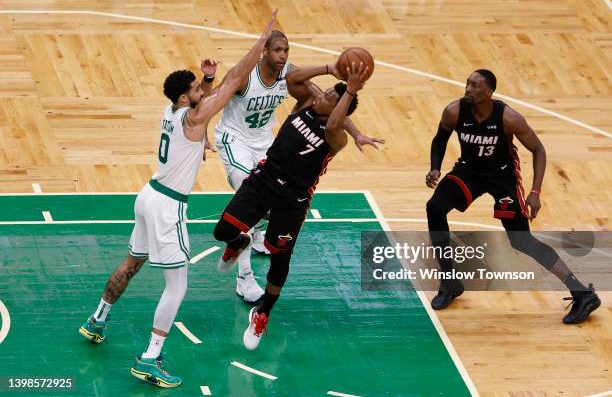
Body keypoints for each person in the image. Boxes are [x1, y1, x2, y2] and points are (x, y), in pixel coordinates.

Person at [78, 10, 278, 387]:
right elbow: (236, 78)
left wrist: (204, 79)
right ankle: (150, 357)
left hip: (147, 195)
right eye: (197, 89)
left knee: (131, 262)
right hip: (169, 205)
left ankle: (97, 319)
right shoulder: (194, 116)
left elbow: (202, 103)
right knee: (177, 286)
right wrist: (261, 41)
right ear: (186, 97)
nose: (203, 92)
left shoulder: (170, 110)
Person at [213, 31, 384, 305]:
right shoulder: (247, 75)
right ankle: (244, 275)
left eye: (287, 50)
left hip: (265, 142)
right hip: (234, 139)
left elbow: (327, 106)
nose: (283, 56)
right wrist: (331, 68)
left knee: (265, 209)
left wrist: (356, 133)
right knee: (246, 196)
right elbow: (214, 96)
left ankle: (250, 235)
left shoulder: (290, 74)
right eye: (278, 50)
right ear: (264, 51)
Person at [425, 69, 600, 324]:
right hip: (469, 171)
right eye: (467, 84)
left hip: (502, 177)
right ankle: (450, 281)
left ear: (489, 92)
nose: (468, 89)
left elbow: (538, 149)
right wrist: (435, 167)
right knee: (435, 208)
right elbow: (439, 139)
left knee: (522, 241)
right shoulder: (454, 111)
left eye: (475, 86)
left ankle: (582, 293)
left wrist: (535, 191)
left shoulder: (508, 118)